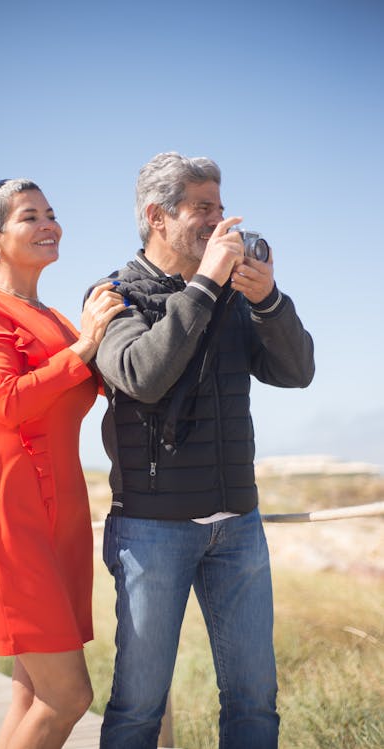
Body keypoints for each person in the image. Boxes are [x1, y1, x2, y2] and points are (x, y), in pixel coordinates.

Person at [88, 152, 315, 749]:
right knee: (138, 708)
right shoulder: (114, 296)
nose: (221, 224)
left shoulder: (235, 295)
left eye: (221, 208)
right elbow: (142, 374)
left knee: (254, 704)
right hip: (150, 531)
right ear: (157, 216)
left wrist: (267, 300)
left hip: (238, 526)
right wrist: (206, 284)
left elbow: (297, 372)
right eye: (204, 209)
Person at [0, 178, 125, 749]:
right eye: (31, 217)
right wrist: (86, 342)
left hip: (62, 515)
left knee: (31, 690)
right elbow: (9, 400)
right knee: (69, 696)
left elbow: (107, 383)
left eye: (52, 212)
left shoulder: (54, 319)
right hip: (8, 512)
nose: (50, 224)